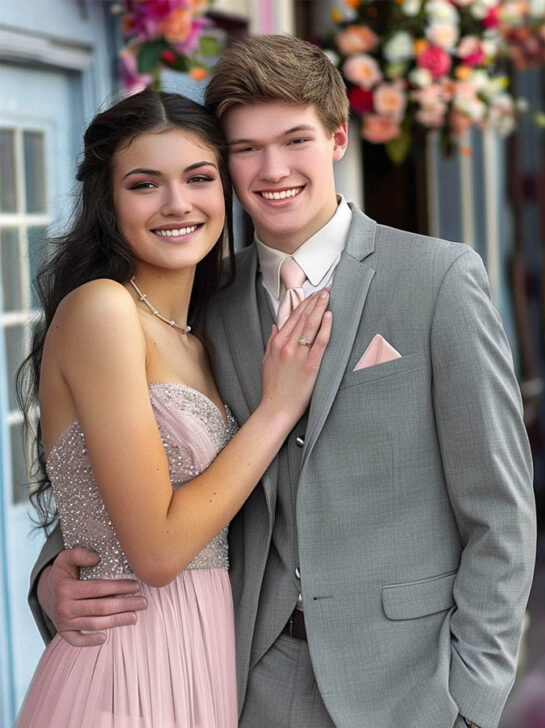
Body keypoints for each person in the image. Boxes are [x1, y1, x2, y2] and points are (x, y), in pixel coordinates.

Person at [28, 34, 535, 728]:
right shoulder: (209, 301)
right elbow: (124, 469)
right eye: (246, 149)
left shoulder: (437, 280)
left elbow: (500, 512)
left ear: (337, 137)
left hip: (409, 690)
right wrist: (53, 576)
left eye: (294, 140)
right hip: (245, 682)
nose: (273, 170)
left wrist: (472, 703)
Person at [15, 86, 331, 728]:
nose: (178, 204)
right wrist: (276, 410)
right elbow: (156, 550)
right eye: (144, 184)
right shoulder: (103, 311)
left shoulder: (201, 331)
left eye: (199, 178)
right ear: (108, 201)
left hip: (210, 660)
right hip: (128, 666)